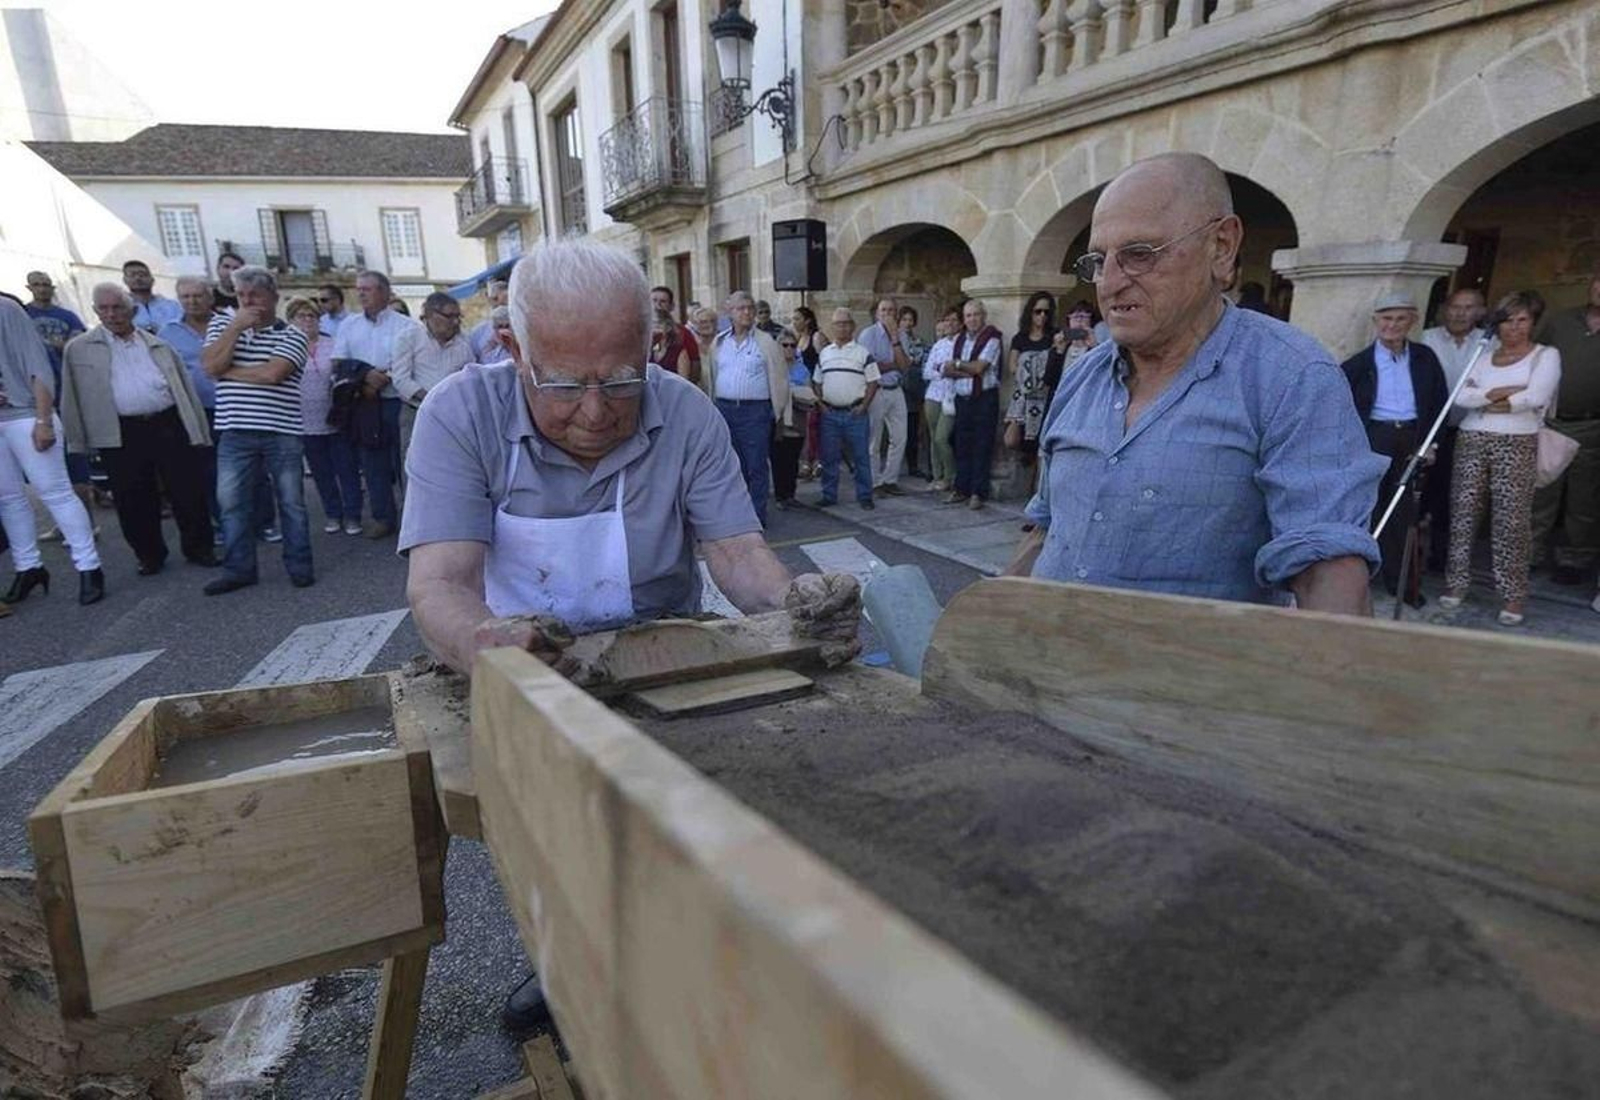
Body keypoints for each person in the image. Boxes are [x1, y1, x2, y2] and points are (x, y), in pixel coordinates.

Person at [399, 243, 862, 1030]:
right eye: (565, 383)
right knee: (555, 836)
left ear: (649, 347)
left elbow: (738, 557)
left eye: (619, 380)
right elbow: (439, 583)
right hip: (522, 658)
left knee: (694, 821)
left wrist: (797, 602)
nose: (595, 410)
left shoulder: (683, 410)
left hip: (664, 649)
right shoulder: (458, 413)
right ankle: (565, 961)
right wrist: (486, 642)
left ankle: (695, 964)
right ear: (513, 351)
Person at [1008, 152, 1385, 613]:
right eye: (1099, 261)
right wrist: (984, 623)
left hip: (1183, 681)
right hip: (1049, 665)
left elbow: (1327, 565)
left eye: (1139, 255)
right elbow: (1047, 528)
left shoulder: (1292, 377)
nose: (1109, 283)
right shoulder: (1083, 374)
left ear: (1222, 246)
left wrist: (1340, 672)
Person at [60, 284, 215, 576]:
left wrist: (197, 428)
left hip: (167, 422)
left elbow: (183, 387)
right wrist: (77, 440)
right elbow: (71, 397)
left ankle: (199, 548)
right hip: (120, 430)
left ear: (131, 310)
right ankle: (149, 555)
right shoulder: (79, 349)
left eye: (117, 307)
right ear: (95, 311)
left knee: (187, 489)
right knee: (132, 497)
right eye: (103, 308)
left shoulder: (157, 343)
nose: (112, 314)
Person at [1441, 290, 1562, 626]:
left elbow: (1537, 395)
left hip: (1518, 441)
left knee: (1511, 519)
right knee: (1463, 512)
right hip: (1472, 437)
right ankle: (1456, 582)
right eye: (1507, 320)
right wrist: (1501, 393)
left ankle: (1513, 594)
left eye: (1522, 320)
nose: (1514, 327)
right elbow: (1462, 395)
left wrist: (1489, 398)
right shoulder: (1484, 353)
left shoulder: (1545, 355)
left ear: (1533, 323)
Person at [200, 265, 314, 594]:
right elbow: (209, 366)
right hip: (235, 430)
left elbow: (273, 374)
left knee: (291, 501)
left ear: (273, 298)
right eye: (241, 295)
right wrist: (235, 329)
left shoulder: (292, 334)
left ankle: (299, 565)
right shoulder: (223, 324)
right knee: (232, 503)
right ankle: (239, 569)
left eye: (256, 295)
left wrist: (228, 372)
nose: (248, 302)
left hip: (282, 430)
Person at [1339, 292, 1449, 606]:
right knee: (1365, 510)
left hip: (1412, 439)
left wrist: (1432, 443)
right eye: (1386, 319)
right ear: (1376, 322)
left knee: (1404, 515)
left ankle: (1401, 585)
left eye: (1401, 319)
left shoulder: (1425, 358)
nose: (1393, 325)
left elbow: (1439, 403)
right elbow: (1340, 406)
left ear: (1412, 321)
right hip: (1375, 438)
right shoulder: (1358, 364)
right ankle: (1357, 583)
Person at [0, 296, 104, 605]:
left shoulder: (6, 309)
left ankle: (89, 567)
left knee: (55, 492)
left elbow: (37, 366)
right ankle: (28, 567)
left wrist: (44, 419)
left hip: (26, 414)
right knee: (8, 499)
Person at [333, 270, 417, 539]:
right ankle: (383, 517)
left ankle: (413, 520)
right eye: (358, 289)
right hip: (364, 404)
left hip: (397, 401)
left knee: (405, 461)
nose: (360, 294)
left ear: (384, 291)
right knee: (372, 462)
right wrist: (365, 377)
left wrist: (382, 378)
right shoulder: (349, 325)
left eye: (367, 289)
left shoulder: (407, 325)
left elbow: (413, 362)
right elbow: (338, 362)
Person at [1530, 271, 1600, 588]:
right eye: (1598, 281)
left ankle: (1574, 559)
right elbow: (1535, 358)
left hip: (1594, 425)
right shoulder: (1561, 321)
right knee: (1542, 491)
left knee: (1584, 499)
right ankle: (1528, 554)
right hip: (1554, 420)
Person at [1420, 287, 1487, 573]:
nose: (1460, 313)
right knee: (1424, 491)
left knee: (1456, 494)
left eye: (1468, 307)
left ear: (1481, 312)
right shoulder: (1426, 339)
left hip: (1470, 429)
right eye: (1455, 307)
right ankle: (1416, 554)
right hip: (1431, 429)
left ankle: (1444, 553)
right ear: (1444, 309)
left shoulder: (1489, 343)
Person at [707, 291, 788, 527]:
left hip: (755, 412)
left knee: (756, 466)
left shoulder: (765, 342)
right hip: (725, 409)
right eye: (741, 308)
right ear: (729, 312)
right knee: (731, 467)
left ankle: (755, 517)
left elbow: (781, 378)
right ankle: (737, 514)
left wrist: (779, 413)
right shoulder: (720, 342)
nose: (747, 312)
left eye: (750, 308)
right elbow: (712, 375)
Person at [23, 271, 94, 530]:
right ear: (28, 287)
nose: (42, 289)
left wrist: (63, 344)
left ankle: (86, 522)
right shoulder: (22, 314)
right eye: (37, 285)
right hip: (31, 399)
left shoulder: (67, 316)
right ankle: (65, 524)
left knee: (73, 458)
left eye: (46, 285)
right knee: (48, 466)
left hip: (65, 394)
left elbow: (80, 345)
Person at [286, 296, 362, 535]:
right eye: (301, 316)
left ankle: (353, 515)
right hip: (304, 422)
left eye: (312, 315)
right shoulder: (284, 347)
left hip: (335, 417)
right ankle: (332, 513)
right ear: (291, 320)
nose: (308, 320)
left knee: (346, 469)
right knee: (321, 472)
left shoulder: (333, 344)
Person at [392, 292, 474, 478]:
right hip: (416, 413)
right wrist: (431, 399)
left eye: (457, 316)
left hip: (454, 416)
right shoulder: (408, 338)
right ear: (430, 315)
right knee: (414, 469)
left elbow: (470, 378)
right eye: (449, 316)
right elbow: (401, 379)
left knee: (450, 469)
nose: (455, 322)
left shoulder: (464, 342)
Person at [813, 307, 879, 510]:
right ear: (832, 327)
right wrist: (821, 404)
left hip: (855, 413)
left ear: (852, 326)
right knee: (829, 457)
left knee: (861, 457)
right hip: (830, 414)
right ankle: (829, 495)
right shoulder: (824, 353)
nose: (841, 327)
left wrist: (864, 406)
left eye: (845, 323)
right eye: (837, 323)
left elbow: (873, 382)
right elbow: (816, 381)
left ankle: (865, 496)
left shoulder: (863, 353)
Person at [944, 299, 1003, 509]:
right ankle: (961, 488)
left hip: (984, 399)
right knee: (961, 444)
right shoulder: (961, 339)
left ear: (983, 316)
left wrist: (960, 365)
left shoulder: (992, 337)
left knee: (982, 445)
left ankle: (978, 492)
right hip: (962, 399)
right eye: (968, 315)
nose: (972, 319)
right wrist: (964, 368)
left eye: (976, 314)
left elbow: (979, 368)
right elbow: (946, 370)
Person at [857, 298, 910, 496]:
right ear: (877, 313)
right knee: (874, 439)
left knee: (900, 437)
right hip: (877, 391)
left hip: (896, 389)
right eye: (884, 310)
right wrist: (894, 363)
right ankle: (875, 482)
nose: (887, 314)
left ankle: (890, 479)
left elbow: (905, 366)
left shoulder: (901, 335)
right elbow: (870, 367)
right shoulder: (868, 335)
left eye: (891, 310)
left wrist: (895, 339)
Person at [1005, 292, 1059, 466]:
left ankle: (1035, 486)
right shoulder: (1020, 338)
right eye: (1038, 311)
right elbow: (1012, 366)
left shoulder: (1054, 336)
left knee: (1040, 445)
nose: (1042, 315)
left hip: (1045, 396)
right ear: (1030, 312)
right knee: (1011, 439)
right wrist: (1032, 368)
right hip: (1023, 397)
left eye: (1046, 312)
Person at [771, 330, 812, 509]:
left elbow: (809, 391)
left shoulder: (801, 368)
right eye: (785, 345)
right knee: (779, 459)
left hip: (798, 416)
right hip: (778, 419)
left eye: (792, 345)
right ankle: (780, 496)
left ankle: (791, 494)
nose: (789, 349)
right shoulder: (772, 368)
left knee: (793, 458)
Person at [922, 306, 960, 492]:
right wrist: (944, 370)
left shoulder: (963, 343)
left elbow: (959, 371)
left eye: (953, 320)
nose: (950, 324)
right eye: (947, 320)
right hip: (933, 396)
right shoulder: (939, 344)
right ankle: (937, 476)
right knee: (932, 437)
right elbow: (927, 372)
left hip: (951, 397)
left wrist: (942, 369)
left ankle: (949, 475)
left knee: (941, 438)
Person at [790, 306, 824, 477]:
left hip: (813, 386)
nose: (794, 322)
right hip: (799, 386)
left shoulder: (816, 337)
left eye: (797, 319)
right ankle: (804, 460)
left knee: (814, 425)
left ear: (807, 320)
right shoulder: (796, 339)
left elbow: (824, 362)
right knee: (802, 426)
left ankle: (816, 460)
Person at [898, 306, 929, 479]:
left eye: (910, 320)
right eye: (904, 319)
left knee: (913, 427)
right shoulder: (894, 339)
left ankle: (913, 464)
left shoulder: (919, 340)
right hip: (900, 386)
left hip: (915, 388)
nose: (908, 323)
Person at [651, 285, 701, 383]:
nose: (657, 305)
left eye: (663, 301)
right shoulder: (639, 333)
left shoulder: (683, 333)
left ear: (671, 306)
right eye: (654, 300)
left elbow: (695, 365)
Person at [121, 260, 181, 332]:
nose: (138, 278)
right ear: (125, 280)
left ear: (152, 280)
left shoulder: (172, 306)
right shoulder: (121, 308)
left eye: (142, 275)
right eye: (132, 275)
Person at [466, 279, 508, 362]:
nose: (499, 304)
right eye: (495, 299)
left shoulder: (523, 330)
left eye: (505, 300)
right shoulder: (478, 333)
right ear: (489, 299)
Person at [650, 310, 692, 378]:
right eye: (651, 324)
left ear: (668, 328)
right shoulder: (646, 350)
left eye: (658, 324)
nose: (654, 328)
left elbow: (683, 380)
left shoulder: (678, 351)